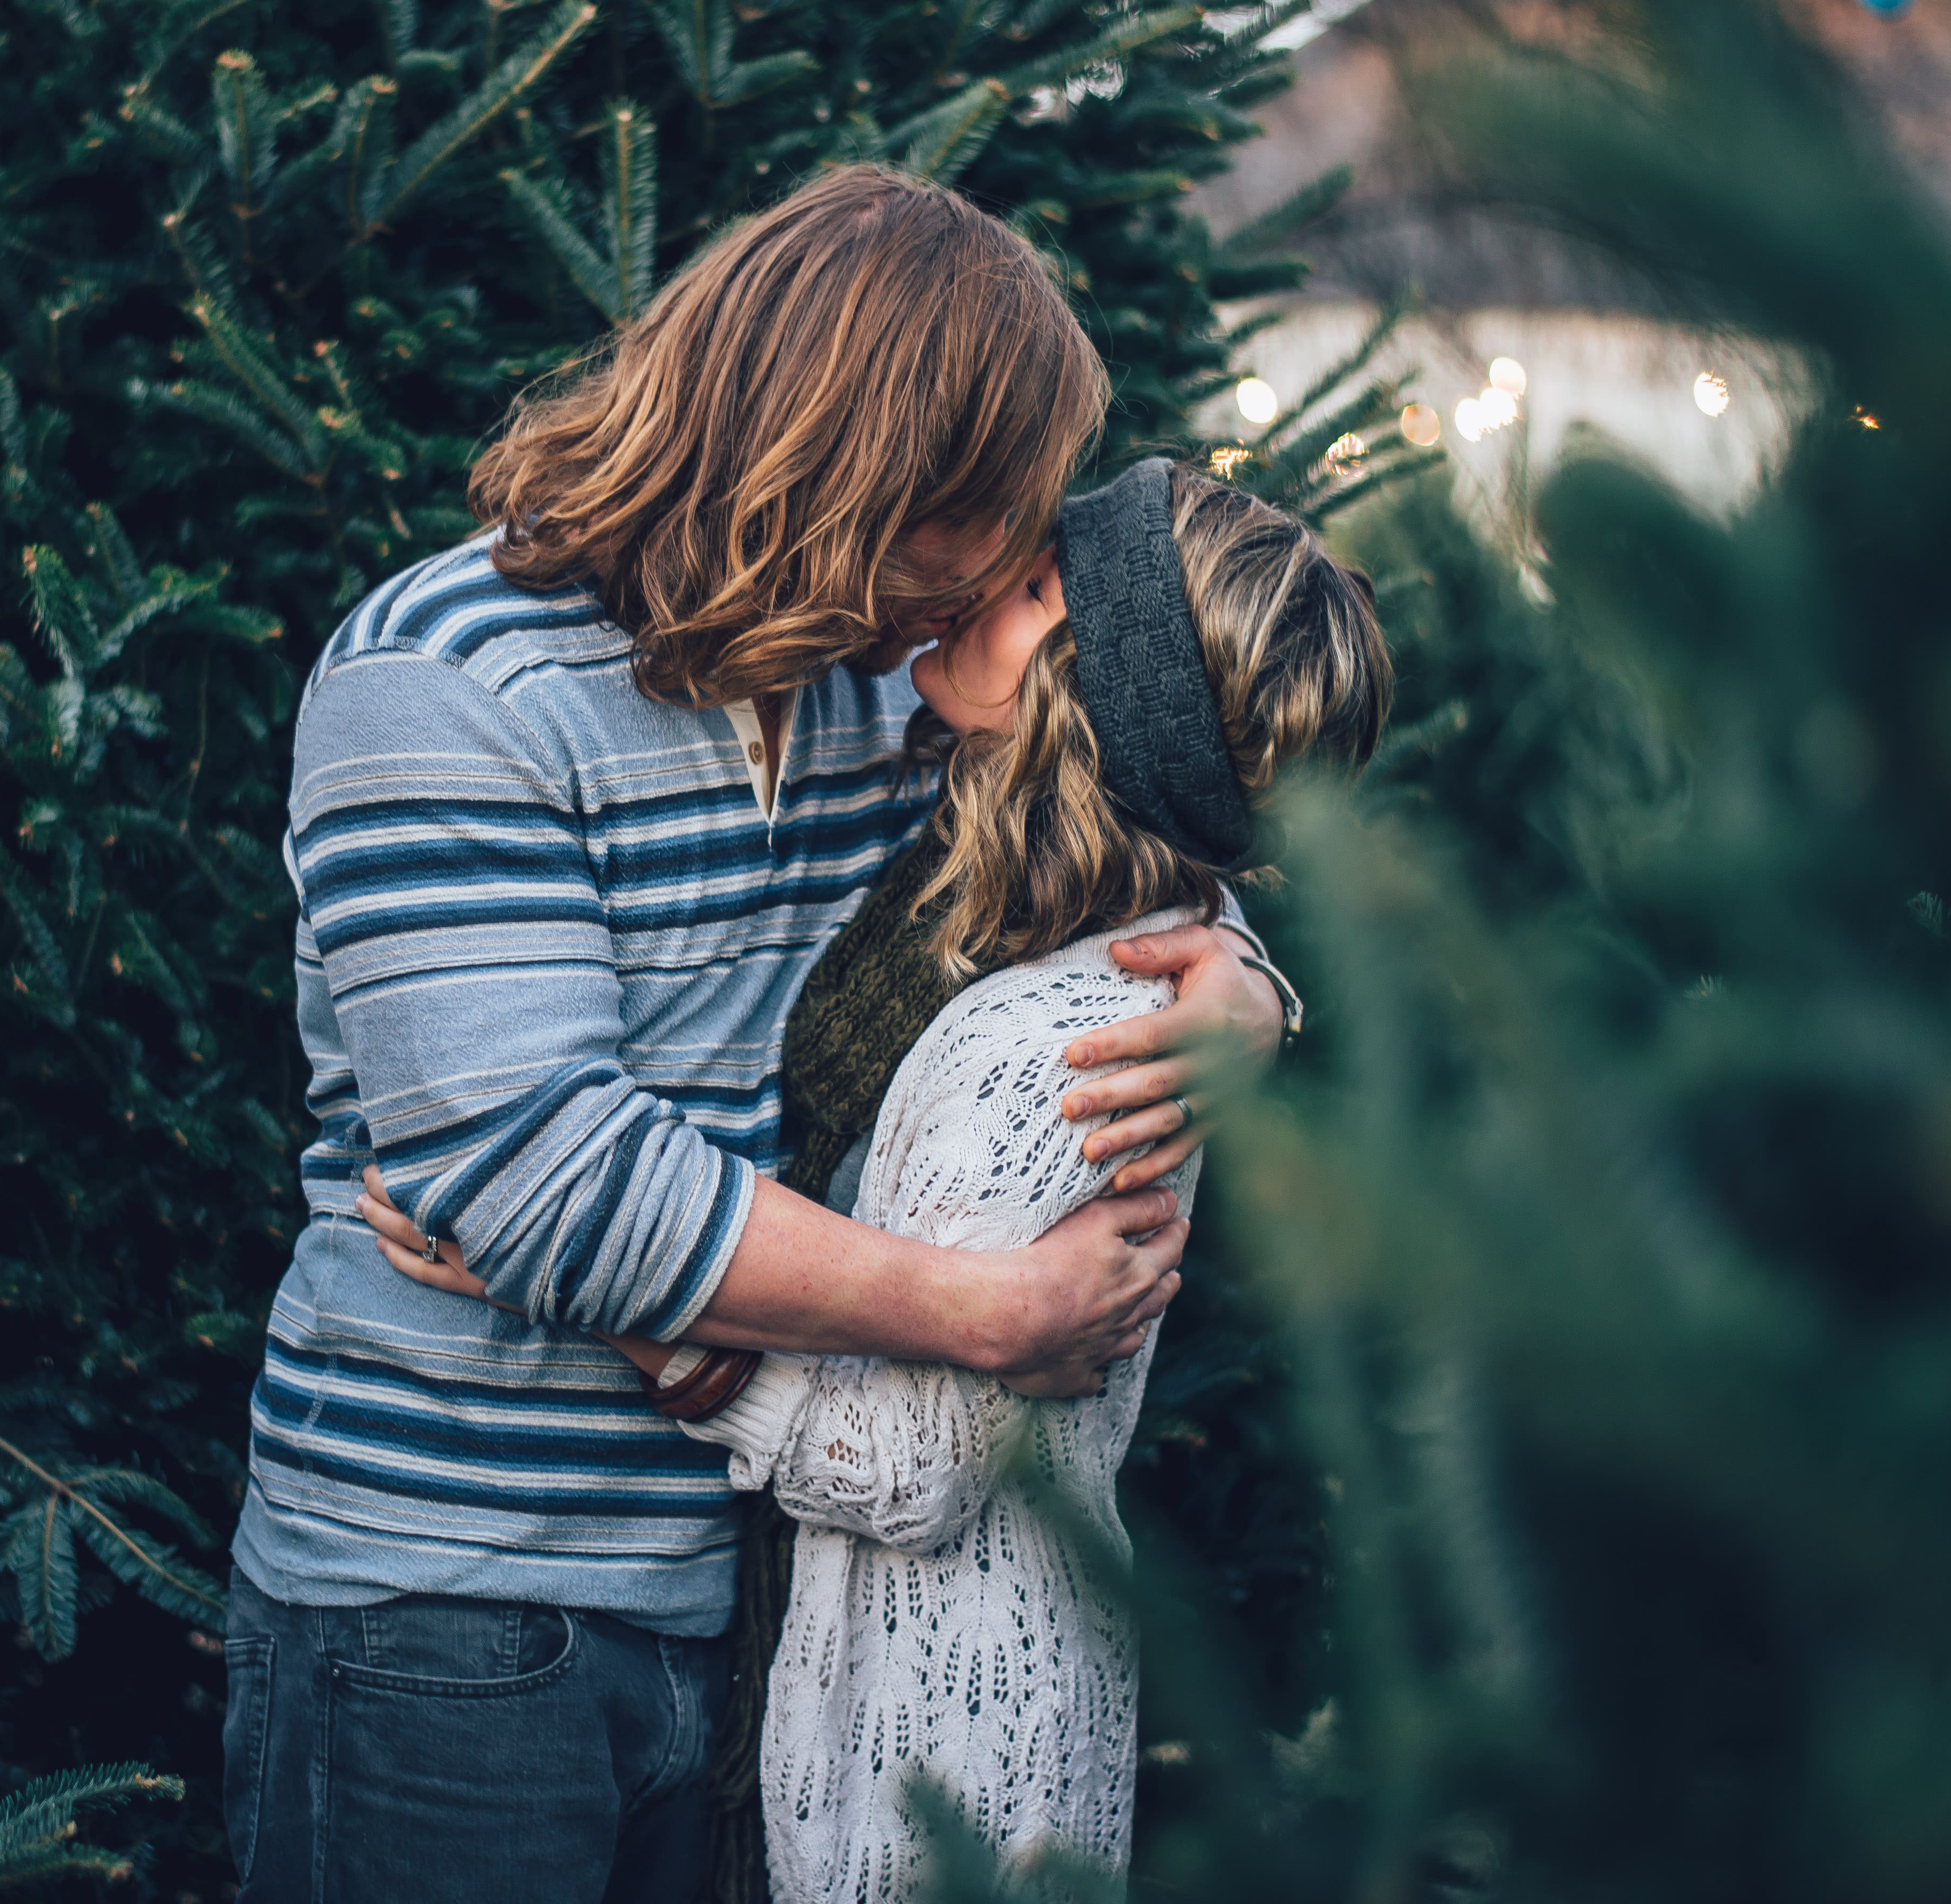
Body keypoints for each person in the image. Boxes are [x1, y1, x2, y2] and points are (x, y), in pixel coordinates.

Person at [222, 166, 1294, 1904]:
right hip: (448, 1606)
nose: (1014, 566)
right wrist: (980, 1309)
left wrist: (1244, 984)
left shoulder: (877, 685)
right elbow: (549, 1184)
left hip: (746, 1593)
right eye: (990, 519)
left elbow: (1123, 809)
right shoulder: (446, 682)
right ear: (858, 473)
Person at [382, 459, 1393, 1902]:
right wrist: (1251, 977)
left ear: (1097, 709)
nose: (987, 582)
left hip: (943, 1732)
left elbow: (914, 1472)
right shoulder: (986, 872)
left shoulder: (1062, 1040)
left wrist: (592, 1290)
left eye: (1039, 588)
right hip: (855, 1670)